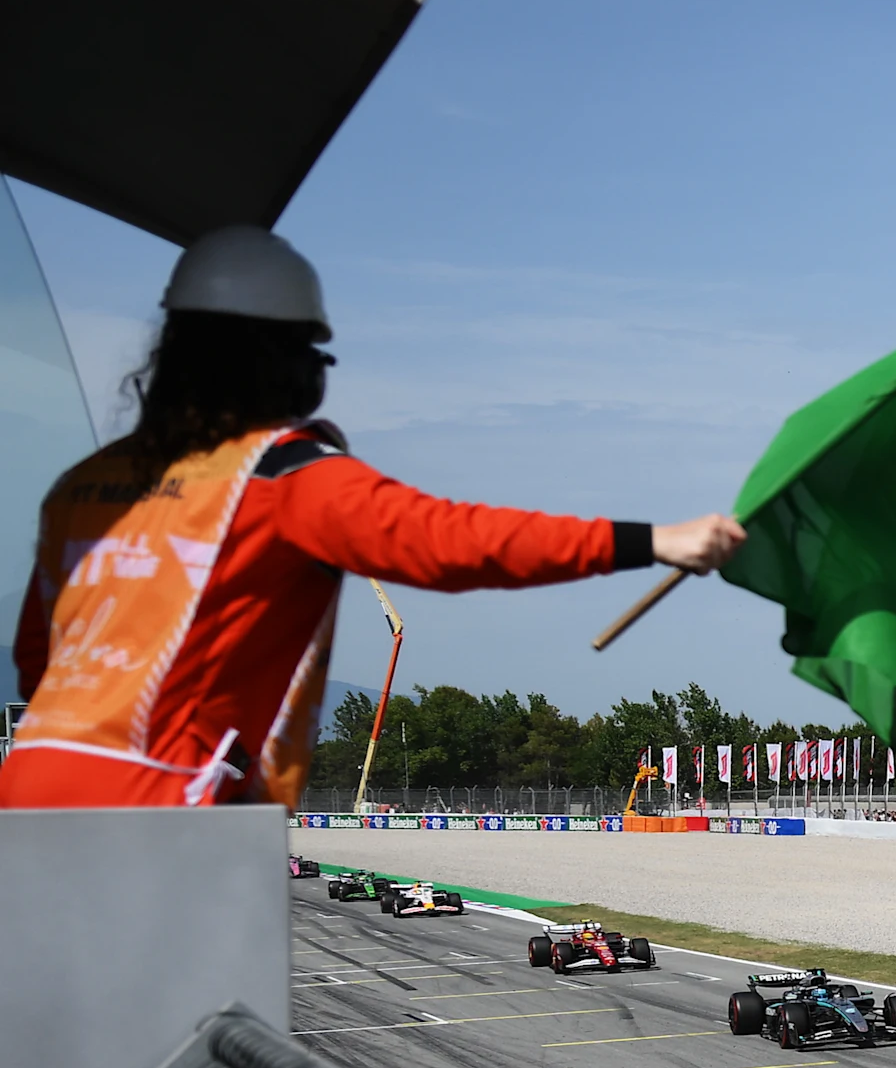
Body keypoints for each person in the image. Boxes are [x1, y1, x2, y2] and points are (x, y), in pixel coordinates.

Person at [4, 227, 743, 809]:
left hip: (29, 783)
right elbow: (452, 541)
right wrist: (654, 541)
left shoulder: (86, 484)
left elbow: (40, 659)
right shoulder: (282, 474)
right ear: (284, 359)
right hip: (163, 800)